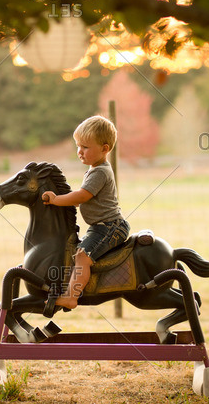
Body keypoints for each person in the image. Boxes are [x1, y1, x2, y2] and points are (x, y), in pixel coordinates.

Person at [42, 115, 130, 309]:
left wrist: (56, 200)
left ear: (105, 149)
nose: (80, 152)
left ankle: (71, 296)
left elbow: (82, 197)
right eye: (78, 146)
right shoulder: (94, 169)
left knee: (82, 256)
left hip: (110, 228)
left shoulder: (100, 172)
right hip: (100, 227)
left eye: (86, 147)